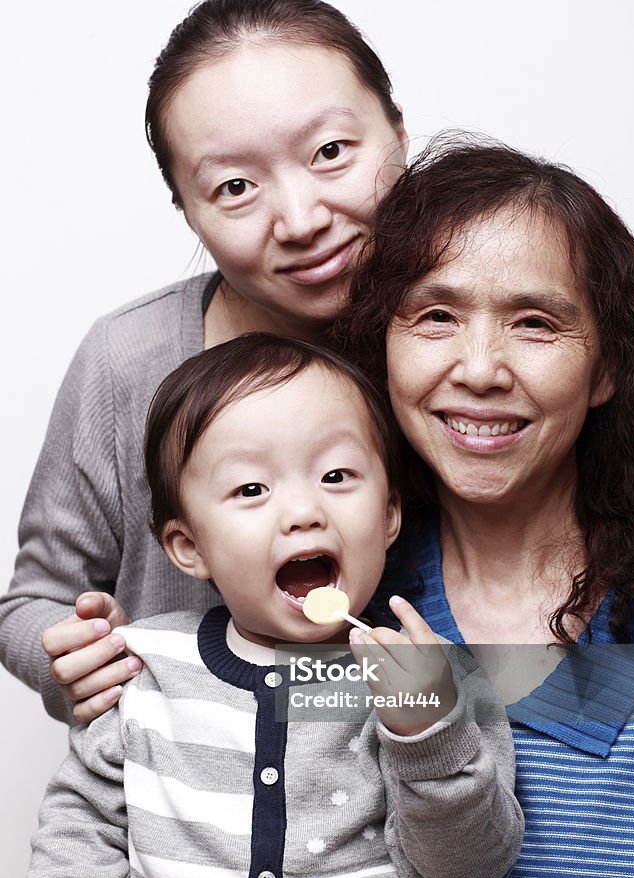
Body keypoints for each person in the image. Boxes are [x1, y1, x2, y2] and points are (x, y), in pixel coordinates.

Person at [228, 138, 634, 878]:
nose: (478, 369)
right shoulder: (316, 597)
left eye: (535, 323)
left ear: (605, 370)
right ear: (379, 346)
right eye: (434, 315)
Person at [14, 334, 523, 878]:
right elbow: (83, 823)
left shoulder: (436, 680)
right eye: (251, 489)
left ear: (391, 515)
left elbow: (468, 875)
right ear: (188, 548)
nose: (304, 511)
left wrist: (428, 737)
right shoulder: (149, 669)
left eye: (337, 477)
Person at [0, 0, 408, 725]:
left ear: (398, 135)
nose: (302, 219)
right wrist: (67, 658)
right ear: (187, 211)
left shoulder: (459, 352)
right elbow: (34, 601)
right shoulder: (128, 360)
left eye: (331, 152)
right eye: (234, 188)